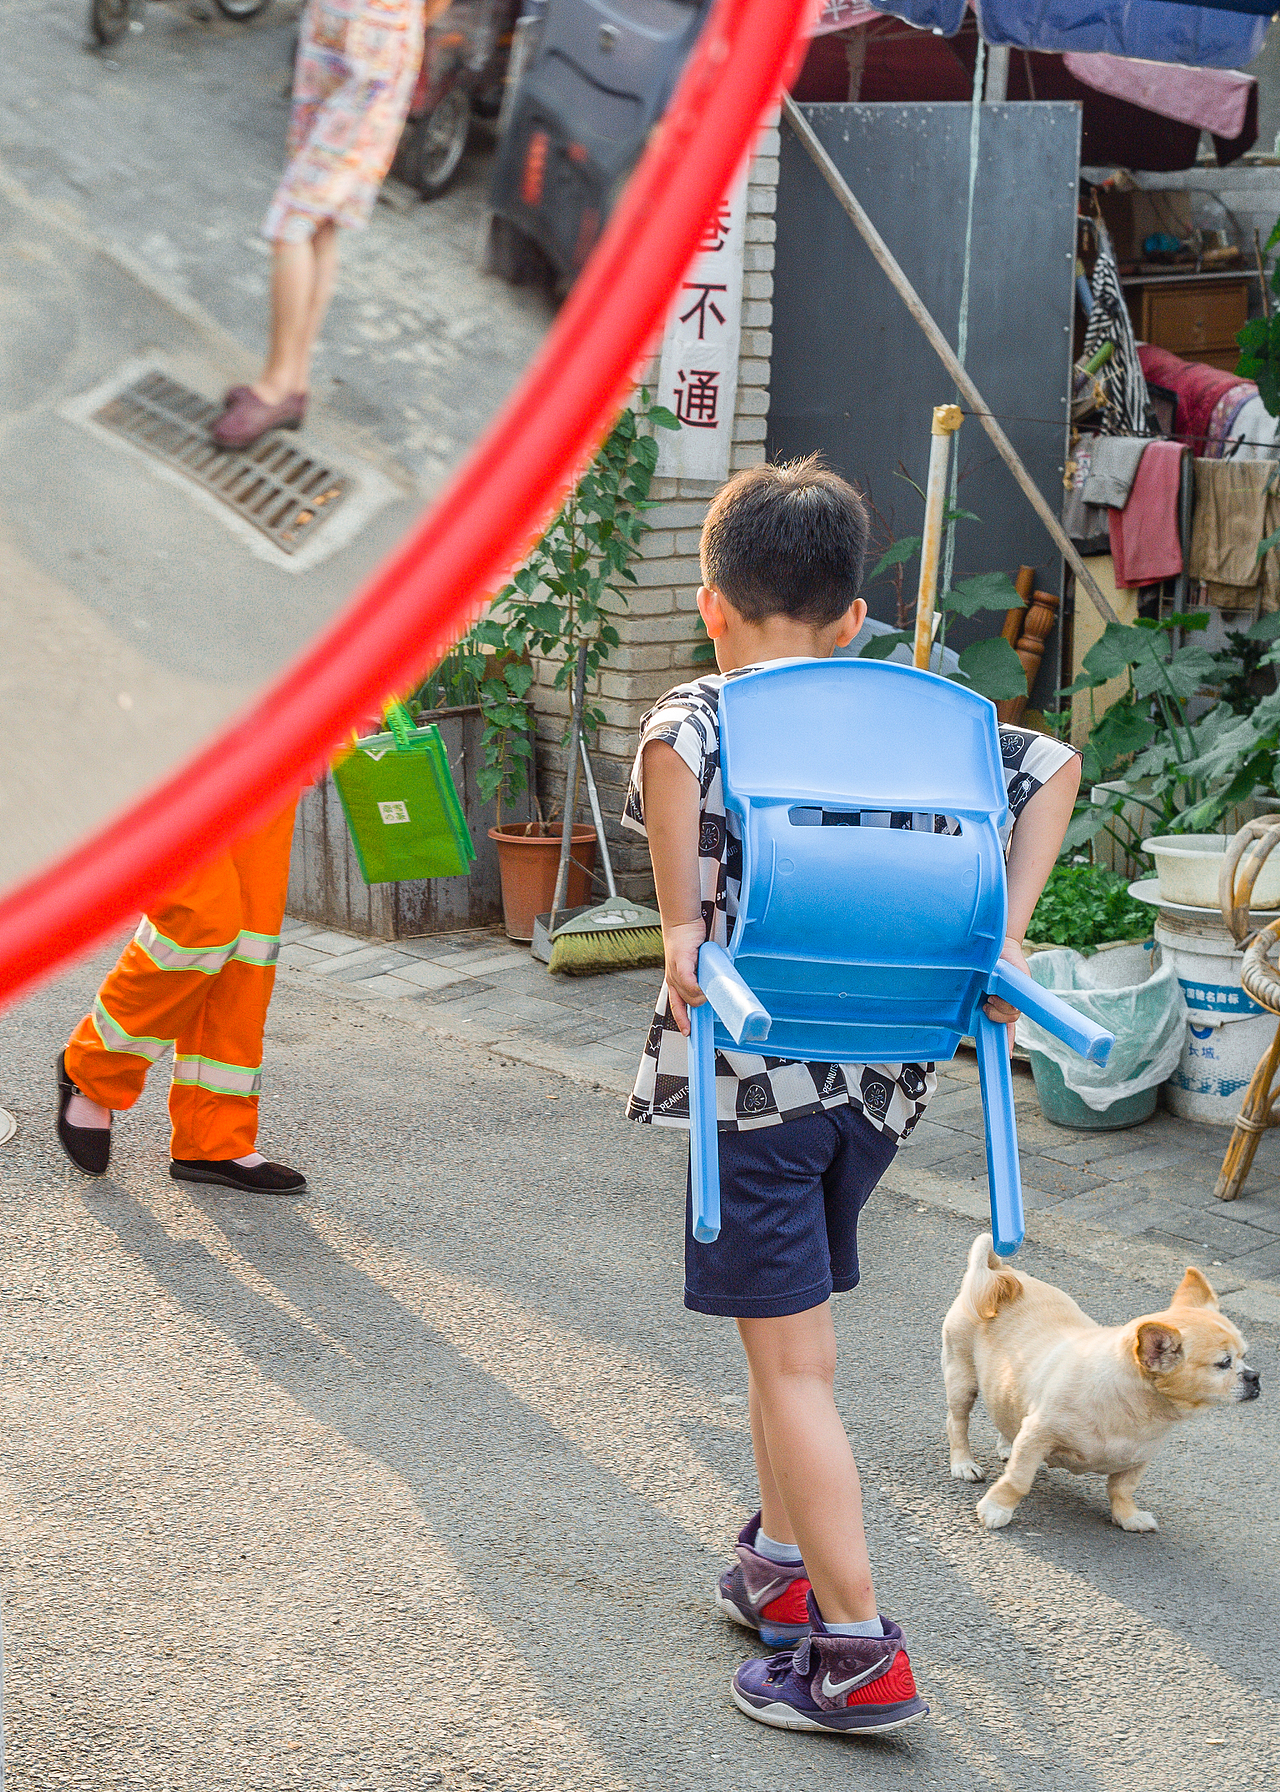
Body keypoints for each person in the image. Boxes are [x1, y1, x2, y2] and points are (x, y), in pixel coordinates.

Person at [622, 457, 1080, 1737]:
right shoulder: (923, 716)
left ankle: (854, 1652)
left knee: (794, 1370)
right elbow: (1051, 765)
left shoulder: (697, 719)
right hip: (880, 1090)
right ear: (848, 620)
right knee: (789, 1351)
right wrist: (1009, 935)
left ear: (711, 604)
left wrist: (676, 928)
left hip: (751, 1095)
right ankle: (776, 1564)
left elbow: (679, 938)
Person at [212, 0, 452, 451]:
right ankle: (294, 384)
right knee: (320, 219)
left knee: (294, 220)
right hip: (327, 31)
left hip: (376, 48)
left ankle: (275, 384)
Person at [55, 804, 306, 1195]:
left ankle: (212, 1137)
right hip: (166, 752)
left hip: (267, 757)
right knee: (200, 921)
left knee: (248, 950)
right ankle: (94, 1070)